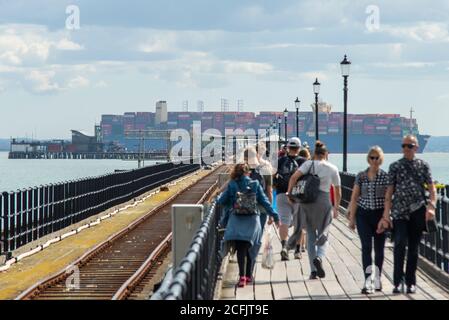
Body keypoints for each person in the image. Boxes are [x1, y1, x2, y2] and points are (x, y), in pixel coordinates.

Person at [377, 135, 436, 294]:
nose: (406, 149)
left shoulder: (423, 165)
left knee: (414, 248)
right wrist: (386, 215)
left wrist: (432, 206)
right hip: (399, 212)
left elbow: (431, 188)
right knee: (400, 244)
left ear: (416, 147)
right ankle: (397, 281)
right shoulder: (395, 166)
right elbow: (389, 192)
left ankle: (411, 282)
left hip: (418, 211)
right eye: (403, 146)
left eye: (409, 146)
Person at [217, 163, 280, 288]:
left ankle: (242, 278)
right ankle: (249, 275)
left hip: (236, 220)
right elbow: (265, 202)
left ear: (235, 173)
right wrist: (275, 216)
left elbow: (221, 201)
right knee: (250, 247)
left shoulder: (232, 184)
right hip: (253, 221)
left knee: (240, 249)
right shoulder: (255, 184)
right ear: (248, 173)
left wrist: (228, 202)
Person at [287, 141, 341, 279]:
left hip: (307, 202)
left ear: (314, 154)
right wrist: (336, 208)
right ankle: (320, 257)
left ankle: (313, 271)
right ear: (326, 154)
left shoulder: (307, 164)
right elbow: (337, 190)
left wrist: (290, 194)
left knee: (310, 236)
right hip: (323, 201)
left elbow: (293, 177)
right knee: (324, 232)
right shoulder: (332, 167)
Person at [348, 146, 389, 294]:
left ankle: (377, 279)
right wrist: (352, 219)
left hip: (379, 216)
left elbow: (388, 199)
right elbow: (354, 197)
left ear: (381, 159)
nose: (374, 160)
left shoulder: (386, 177)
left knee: (379, 250)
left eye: (377, 157)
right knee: (366, 247)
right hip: (363, 215)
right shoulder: (361, 176)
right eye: (372, 157)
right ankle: (367, 281)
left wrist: (385, 217)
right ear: (368, 158)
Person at [273, 137, 306, 260]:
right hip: (299, 195)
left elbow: (272, 176)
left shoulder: (280, 161)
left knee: (284, 221)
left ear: (287, 147)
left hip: (282, 194)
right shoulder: (304, 161)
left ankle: (284, 247)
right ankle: (297, 251)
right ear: (299, 148)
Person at [244, 146, 275, 277]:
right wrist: (271, 212)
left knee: (245, 237)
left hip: (244, 209)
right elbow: (269, 192)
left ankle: (245, 263)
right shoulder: (266, 170)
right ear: (257, 155)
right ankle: (250, 268)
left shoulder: (241, 170)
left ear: (245, 158)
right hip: (261, 209)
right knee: (257, 238)